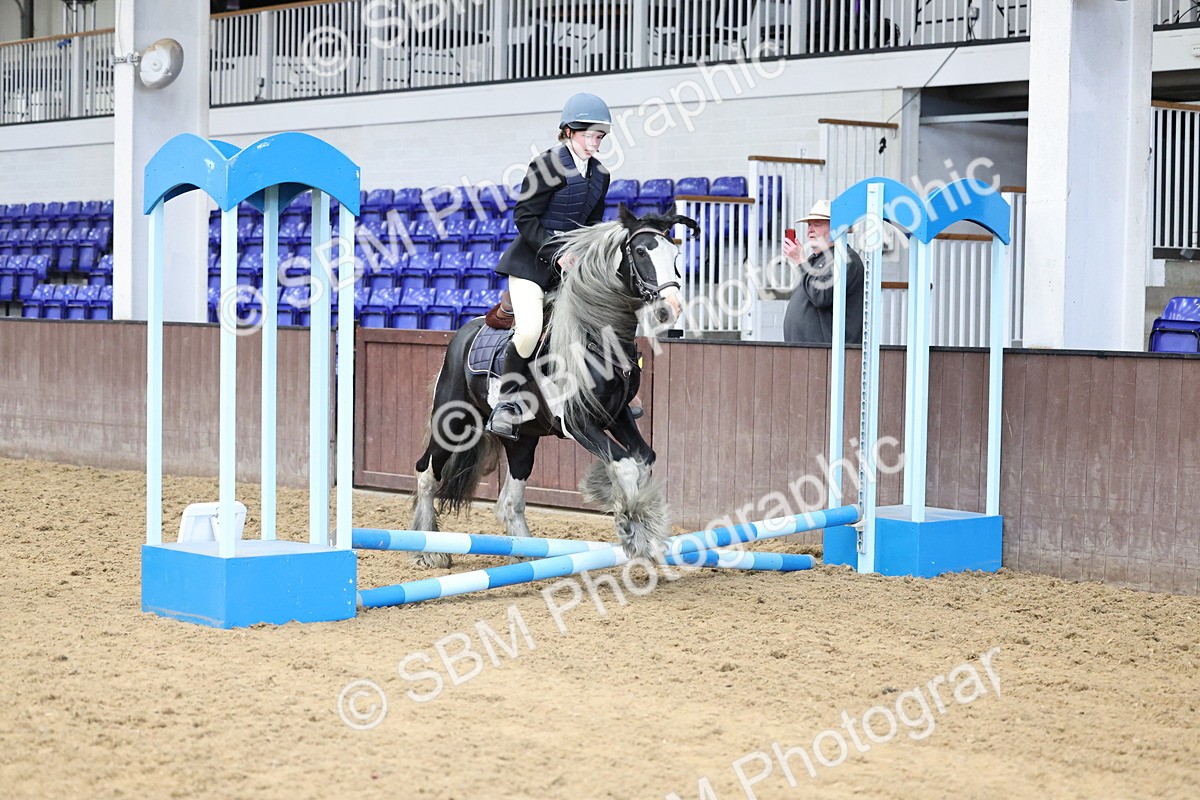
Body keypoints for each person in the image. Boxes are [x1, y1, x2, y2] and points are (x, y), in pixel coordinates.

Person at [487, 92, 613, 439]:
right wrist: (556, 253)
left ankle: (610, 397)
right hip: (531, 265)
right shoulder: (547, 165)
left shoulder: (601, 175)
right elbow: (524, 217)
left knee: (599, 323)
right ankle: (507, 402)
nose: (595, 143)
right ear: (569, 132)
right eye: (589, 135)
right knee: (529, 331)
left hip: (569, 269)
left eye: (600, 136)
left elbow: (591, 225)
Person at [781, 200, 865, 346]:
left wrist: (800, 261)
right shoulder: (817, 259)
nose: (810, 230)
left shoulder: (846, 259)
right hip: (810, 354)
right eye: (809, 225)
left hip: (828, 355)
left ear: (835, 229)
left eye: (817, 224)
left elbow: (821, 296)